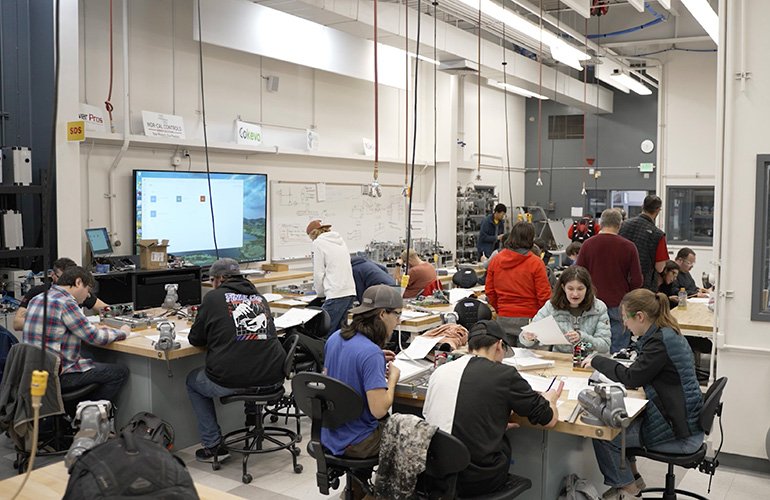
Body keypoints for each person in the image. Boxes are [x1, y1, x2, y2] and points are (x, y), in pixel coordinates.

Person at [583, 289, 704, 499]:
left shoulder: (659, 342)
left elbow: (632, 378)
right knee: (625, 423)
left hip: (680, 434)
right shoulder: (666, 333)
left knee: (605, 434)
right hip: (686, 424)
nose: (624, 325)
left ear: (640, 316)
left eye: (625, 319)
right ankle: (634, 479)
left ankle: (628, 489)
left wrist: (597, 361)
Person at [424, 320, 562, 497]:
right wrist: (551, 399)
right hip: (477, 479)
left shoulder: (441, 371)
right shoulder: (504, 375)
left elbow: (434, 416)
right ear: (499, 345)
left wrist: (490, 424)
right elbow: (549, 420)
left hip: (435, 475)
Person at [186, 258, 286, 463]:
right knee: (251, 360)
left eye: (212, 280)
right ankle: (252, 422)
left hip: (235, 380)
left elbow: (195, 339)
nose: (212, 284)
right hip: (273, 377)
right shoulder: (259, 298)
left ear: (220, 279)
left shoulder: (213, 298)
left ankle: (213, 446)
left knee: (193, 381)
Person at [322, 284, 402, 500]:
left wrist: (373, 361)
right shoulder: (370, 353)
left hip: (330, 433)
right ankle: (380, 494)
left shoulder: (335, 338)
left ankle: (357, 489)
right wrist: (392, 379)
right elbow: (379, 410)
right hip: (357, 442)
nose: (398, 322)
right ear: (382, 314)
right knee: (409, 435)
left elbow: (336, 375)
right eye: (397, 315)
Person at [22, 266, 129, 407]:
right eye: (87, 290)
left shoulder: (38, 298)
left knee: (90, 358)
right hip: (57, 376)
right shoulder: (66, 302)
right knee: (119, 372)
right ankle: (87, 413)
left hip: (35, 374)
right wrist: (123, 332)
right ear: (78, 282)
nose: (88, 296)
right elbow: (95, 337)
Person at [577, 208, 643, 353]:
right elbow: (637, 280)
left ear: (601, 223)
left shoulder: (588, 245)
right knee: (617, 350)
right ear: (620, 225)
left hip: (591, 303)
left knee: (589, 346)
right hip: (619, 304)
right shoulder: (629, 247)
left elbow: (577, 275)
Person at [485, 221, 551, 346]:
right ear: (531, 238)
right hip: (529, 319)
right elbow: (544, 295)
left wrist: (500, 309)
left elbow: (489, 291)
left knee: (506, 356)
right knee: (529, 357)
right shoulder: (536, 263)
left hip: (504, 317)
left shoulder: (496, 260)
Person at [520, 266, 611, 354]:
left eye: (580, 289)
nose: (575, 294)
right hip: (560, 358)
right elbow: (526, 338)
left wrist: (582, 338)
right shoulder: (551, 306)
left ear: (587, 289)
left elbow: (604, 346)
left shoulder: (598, 308)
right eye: (570, 289)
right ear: (563, 287)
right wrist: (528, 337)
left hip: (588, 359)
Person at [13, 257, 109, 331]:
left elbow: (106, 309)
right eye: (63, 278)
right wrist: (58, 325)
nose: (66, 282)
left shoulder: (80, 294)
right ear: (52, 275)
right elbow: (17, 323)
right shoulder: (38, 293)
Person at [306, 219, 357, 335]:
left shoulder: (317, 243)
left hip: (335, 294)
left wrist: (320, 295)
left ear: (313, 234)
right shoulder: (340, 241)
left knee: (322, 334)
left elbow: (319, 273)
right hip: (349, 292)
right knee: (340, 334)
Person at [618, 195, 669, 292]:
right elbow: (660, 267)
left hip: (621, 281)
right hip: (644, 286)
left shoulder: (623, 225)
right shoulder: (658, 235)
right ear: (658, 210)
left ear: (642, 206)